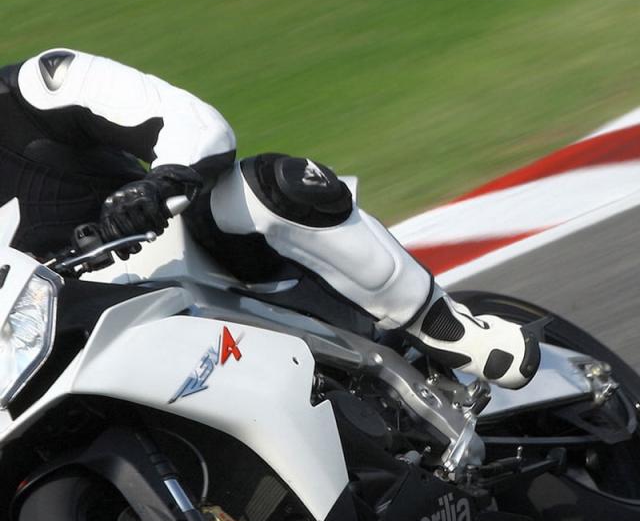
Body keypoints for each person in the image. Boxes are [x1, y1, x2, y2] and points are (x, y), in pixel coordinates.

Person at [0, 47, 539, 389]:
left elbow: (192, 123)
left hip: (162, 266)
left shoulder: (36, 89)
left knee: (256, 189)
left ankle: (442, 326)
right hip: (46, 360)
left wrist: (158, 186)